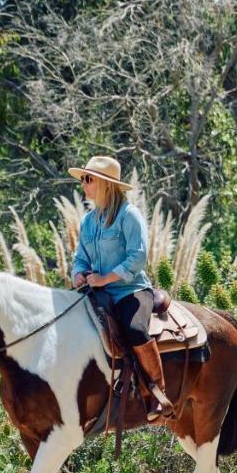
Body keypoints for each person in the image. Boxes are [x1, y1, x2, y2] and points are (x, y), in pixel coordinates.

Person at [67, 155, 174, 421]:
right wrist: (78, 273)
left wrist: (105, 279)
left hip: (130, 290)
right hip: (97, 292)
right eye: (82, 179)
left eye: (88, 179)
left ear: (105, 184)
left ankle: (158, 393)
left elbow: (138, 257)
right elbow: (79, 257)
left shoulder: (129, 215)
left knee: (135, 329)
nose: (83, 184)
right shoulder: (88, 221)